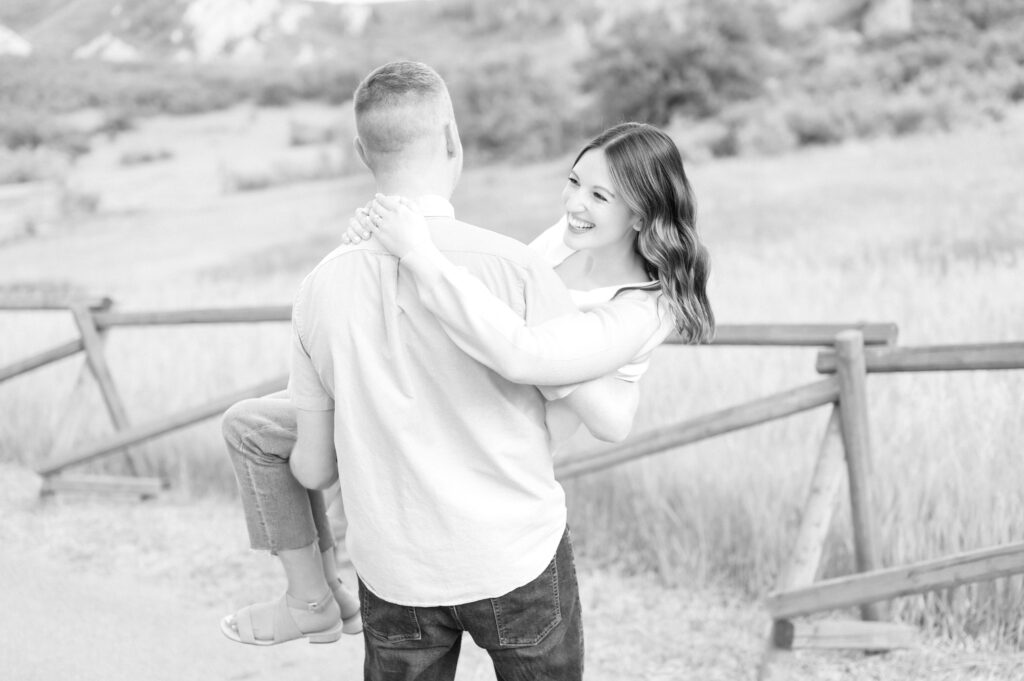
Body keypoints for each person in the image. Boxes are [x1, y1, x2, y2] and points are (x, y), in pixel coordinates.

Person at [222, 59, 641, 680]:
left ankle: (308, 599)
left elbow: (312, 466)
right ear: (452, 139)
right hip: (514, 556)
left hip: (396, 574)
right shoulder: (512, 267)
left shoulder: (319, 288)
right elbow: (576, 407)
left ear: (362, 152)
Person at [337, 122, 714, 448]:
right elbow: (492, 289)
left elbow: (525, 355)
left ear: (640, 215)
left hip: (521, 439)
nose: (574, 204)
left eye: (599, 196)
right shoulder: (567, 238)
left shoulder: (644, 309)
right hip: (480, 402)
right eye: (574, 181)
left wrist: (418, 250)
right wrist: (384, 224)